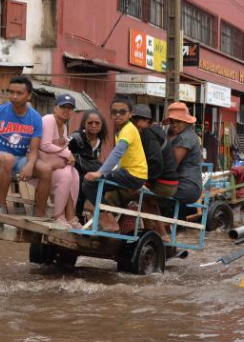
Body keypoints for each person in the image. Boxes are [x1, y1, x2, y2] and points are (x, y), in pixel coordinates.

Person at [0, 76, 52, 216]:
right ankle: (1, 206)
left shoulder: (35, 118)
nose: (14, 96)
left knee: (46, 170)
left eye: (19, 93)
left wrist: (29, 165)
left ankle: (39, 214)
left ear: (28, 96)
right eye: (11, 92)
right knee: (8, 158)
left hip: (20, 159)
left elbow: (34, 149)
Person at [82, 97, 147, 232]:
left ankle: (108, 220)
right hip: (128, 173)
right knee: (93, 181)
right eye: (114, 112)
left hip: (133, 175)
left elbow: (117, 153)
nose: (118, 115)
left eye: (122, 112)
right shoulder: (120, 130)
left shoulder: (128, 129)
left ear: (130, 114)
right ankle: (101, 218)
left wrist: (101, 172)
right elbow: (120, 159)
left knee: (89, 183)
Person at [131, 104, 179, 239]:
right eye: (135, 120)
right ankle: (158, 235)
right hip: (169, 181)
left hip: (164, 183)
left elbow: (155, 162)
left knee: (140, 196)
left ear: (149, 121)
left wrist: (147, 183)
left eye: (141, 120)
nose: (137, 124)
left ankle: (152, 234)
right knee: (148, 200)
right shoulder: (155, 131)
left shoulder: (148, 133)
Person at [39, 94, 81, 228]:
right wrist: (67, 153)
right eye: (63, 106)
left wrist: (67, 157)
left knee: (74, 174)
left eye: (70, 108)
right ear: (55, 108)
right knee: (66, 175)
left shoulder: (64, 127)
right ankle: (58, 215)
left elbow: (59, 150)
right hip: (38, 164)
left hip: (52, 164)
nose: (66, 110)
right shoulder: (48, 119)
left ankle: (70, 216)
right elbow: (45, 145)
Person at [69, 109, 107, 217]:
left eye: (97, 123)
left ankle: (98, 215)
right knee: (82, 182)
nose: (93, 125)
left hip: (88, 173)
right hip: (74, 171)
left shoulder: (99, 141)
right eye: (90, 123)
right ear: (84, 124)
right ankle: (77, 215)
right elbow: (62, 147)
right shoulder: (77, 137)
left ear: (102, 124)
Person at [165, 102, 203, 204]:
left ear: (186, 121)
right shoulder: (184, 135)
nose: (174, 125)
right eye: (172, 122)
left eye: (178, 121)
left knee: (145, 193)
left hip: (186, 187)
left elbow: (171, 166)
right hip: (189, 186)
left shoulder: (184, 138)